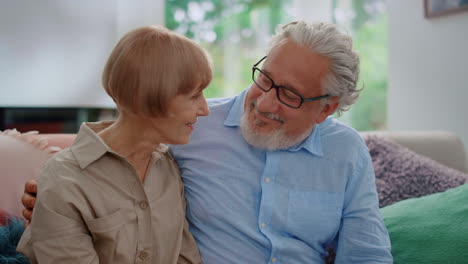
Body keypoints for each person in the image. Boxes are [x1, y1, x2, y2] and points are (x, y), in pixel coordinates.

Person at [22, 21, 393, 263]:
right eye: (264, 78)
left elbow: (366, 254)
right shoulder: (188, 126)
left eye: (289, 95)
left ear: (325, 108)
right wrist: (52, 196)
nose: (263, 103)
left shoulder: (346, 153)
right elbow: (111, 154)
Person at [17, 25, 213, 263]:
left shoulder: (169, 171)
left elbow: (185, 257)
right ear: (150, 97)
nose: (205, 110)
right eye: (195, 96)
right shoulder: (64, 180)